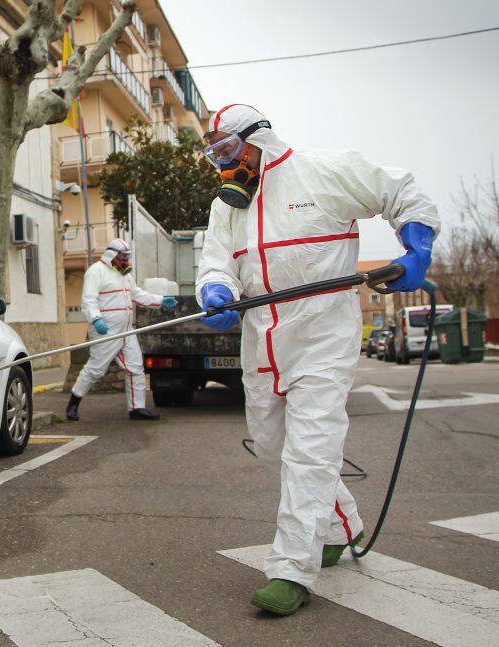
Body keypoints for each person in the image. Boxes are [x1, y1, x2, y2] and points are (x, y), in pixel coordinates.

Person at [196, 104, 440, 615]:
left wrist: (416, 244)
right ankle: (342, 524)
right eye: (213, 153)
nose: (221, 162)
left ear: (256, 139)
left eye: (227, 149)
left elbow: (400, 190)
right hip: (262, 343)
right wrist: (216, 290)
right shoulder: (228, 207)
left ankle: (290, 568)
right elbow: (216, 261)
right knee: (272, 446)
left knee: (310, 451)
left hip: (322, 339)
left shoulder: (322, 172)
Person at [66, 239, 178, 422]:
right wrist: (96, 319)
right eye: (123, 256)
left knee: (135, 367)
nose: (126, 259)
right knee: (95, 370)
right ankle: (73, 404)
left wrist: (160, 300)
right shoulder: (96, 272)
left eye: (127, 256)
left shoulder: (124, 274)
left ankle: (137, 408)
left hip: (126, 329)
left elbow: (137, 294)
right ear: (113, 254)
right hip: (106, 330)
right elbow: (88, 300)